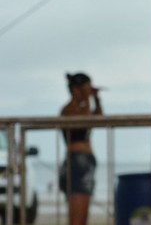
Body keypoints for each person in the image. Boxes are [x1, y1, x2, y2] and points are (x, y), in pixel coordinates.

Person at [59, 72, 102, 225]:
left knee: (83, 217)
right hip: (76, 162)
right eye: (86, 88)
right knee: (76, 218)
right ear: (76, 89)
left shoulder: (84, 107)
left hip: (87, 163)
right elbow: (83, 119)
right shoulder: (68, 110)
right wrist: (87, 100)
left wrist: (97, 99)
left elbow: (98, 119)